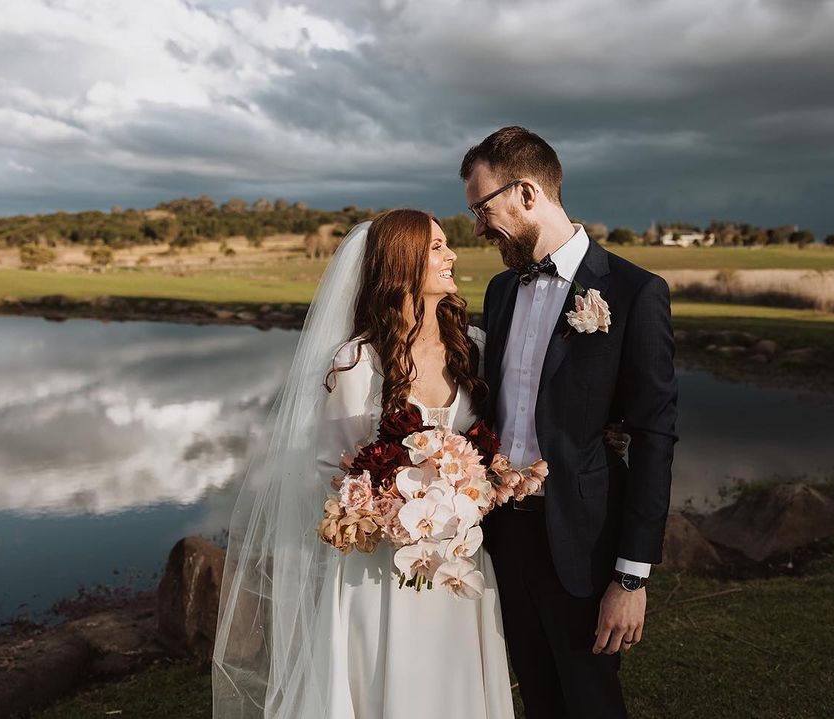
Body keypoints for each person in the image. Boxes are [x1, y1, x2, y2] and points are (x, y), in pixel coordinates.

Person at [212, 209, 514, 718]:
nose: (452, 255)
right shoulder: (357, 362)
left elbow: (487, 447)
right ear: (402, 262)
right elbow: (333, 470)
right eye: (437, 247)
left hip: (460, 556)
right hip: (379, 568)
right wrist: (395, 508)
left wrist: (467, 493)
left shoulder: (473, 347)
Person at [463, 126, 679, 719]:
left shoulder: (634, 293)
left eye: (482, 209)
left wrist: (631, 578)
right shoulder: (501, 290)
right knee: (537, 697)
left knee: (591, 701)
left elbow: (655, 436)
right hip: (503, 536)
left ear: (527, 192)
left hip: (582, 543)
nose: (478, 229)